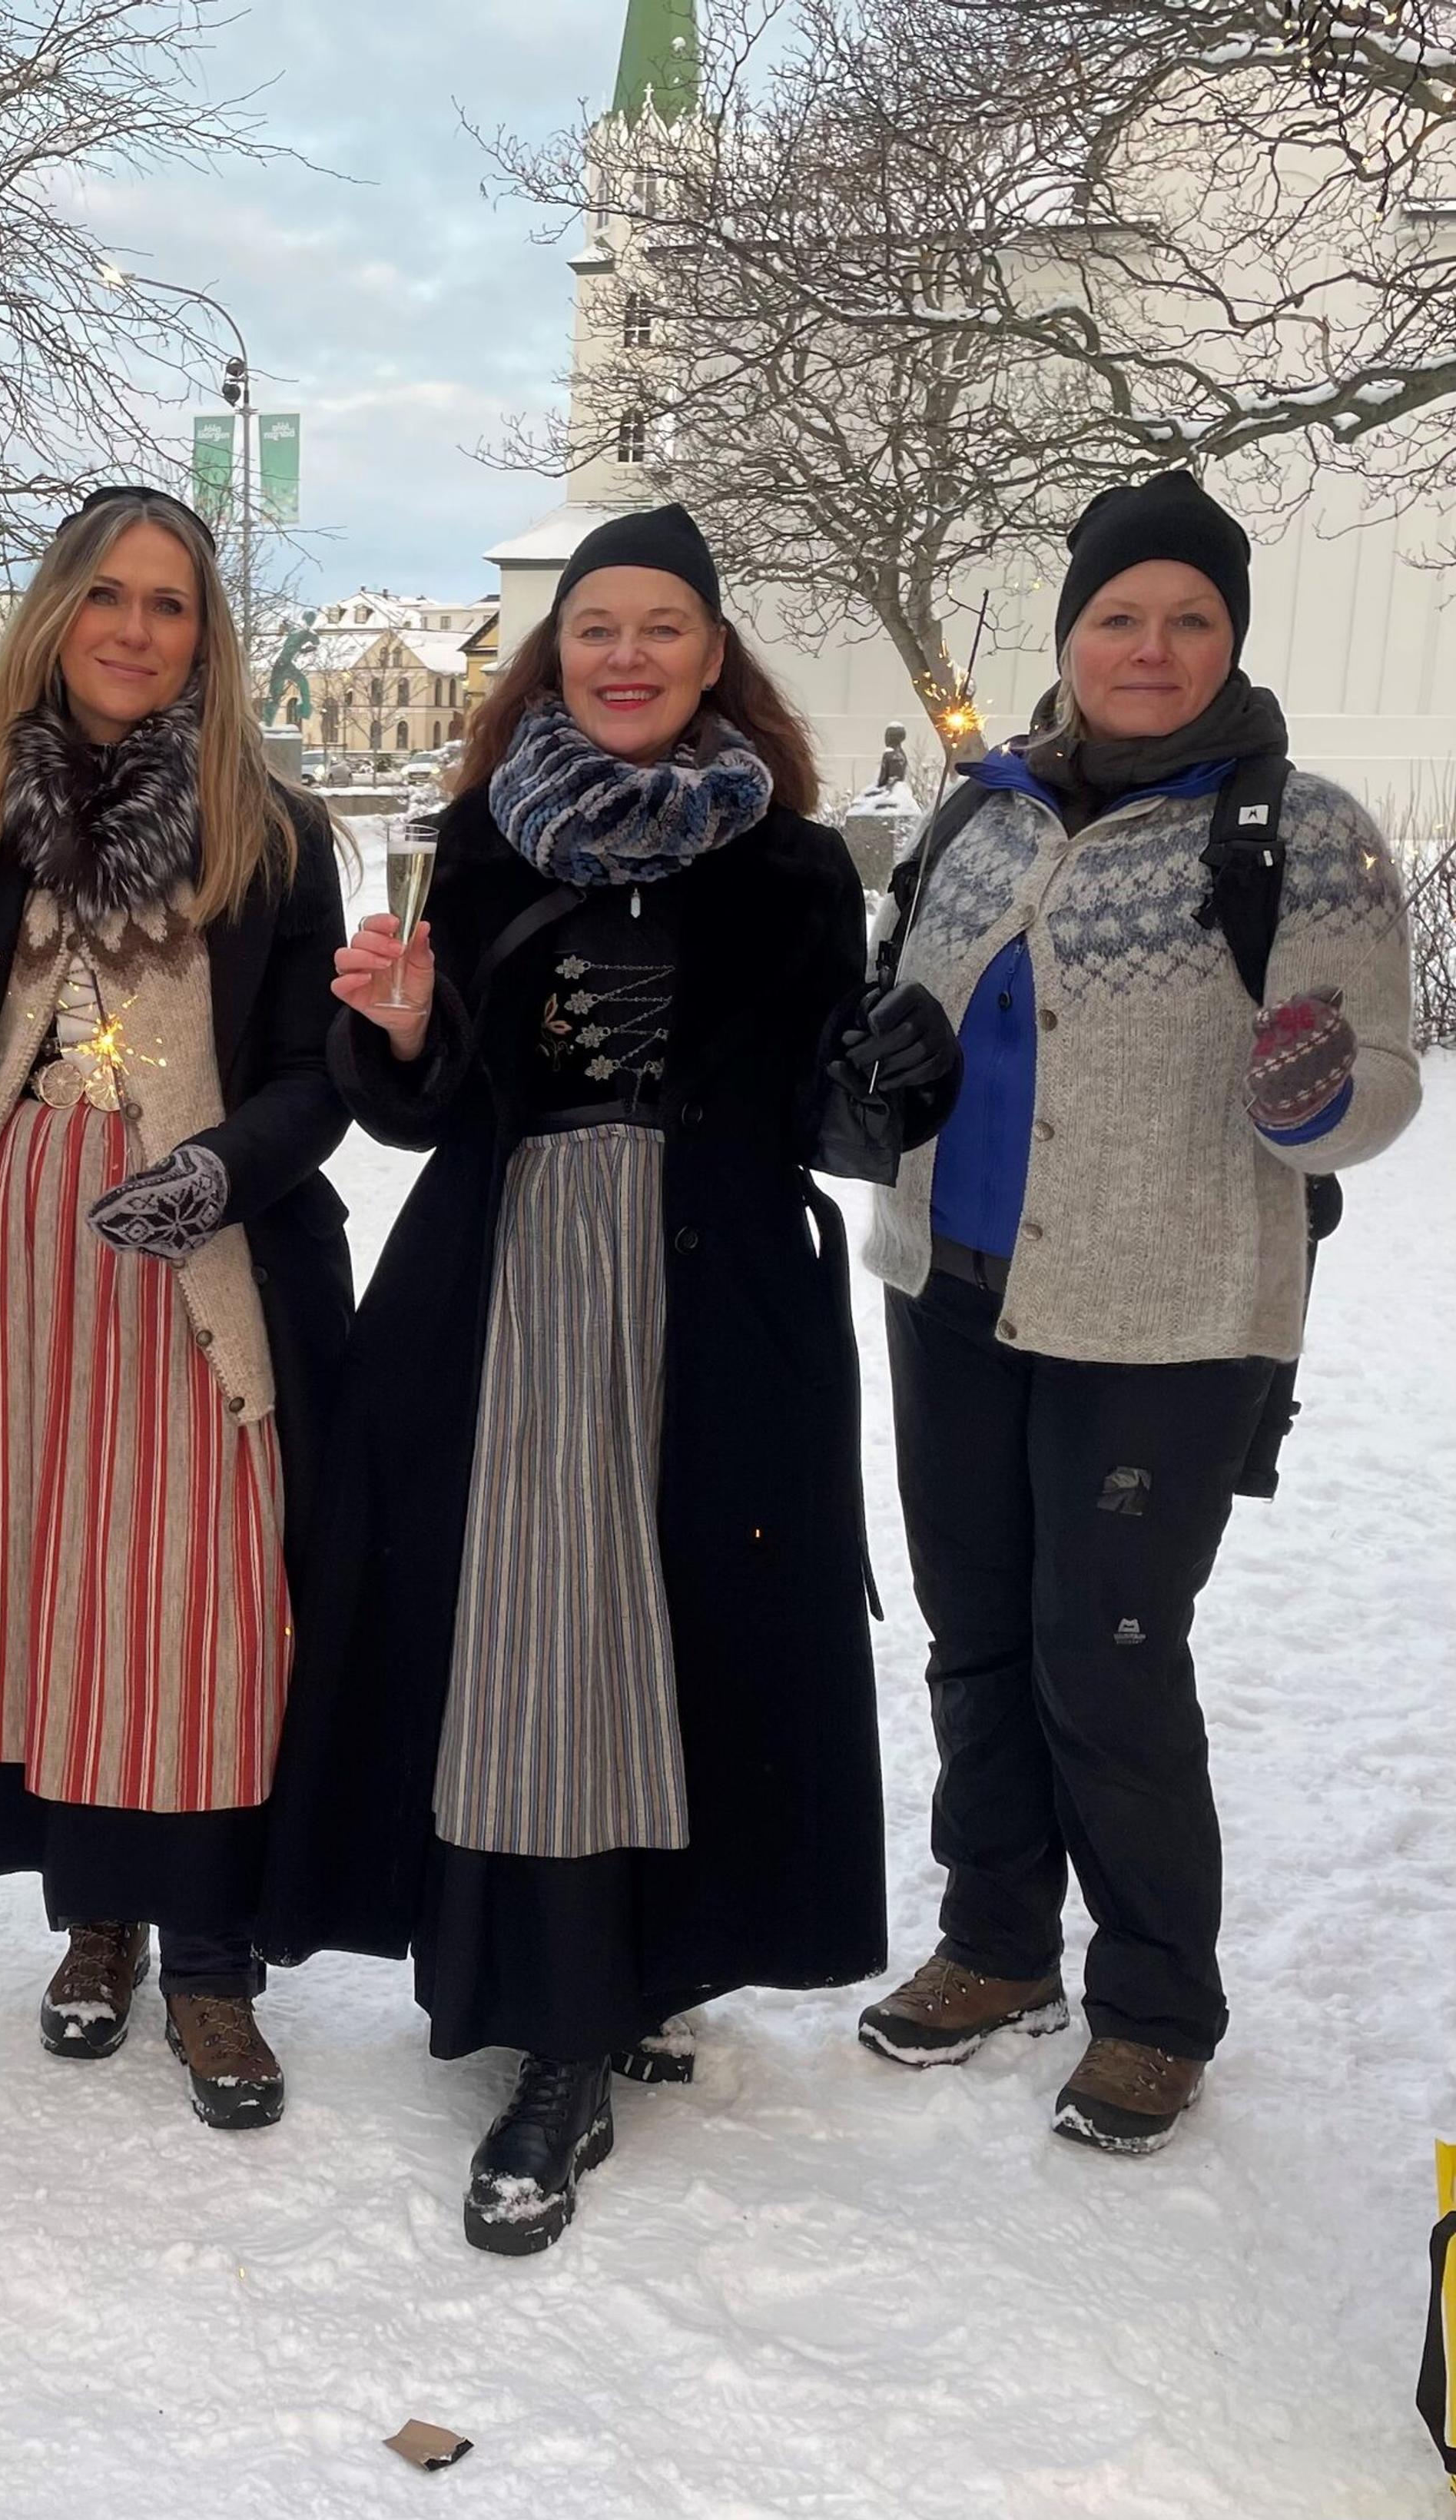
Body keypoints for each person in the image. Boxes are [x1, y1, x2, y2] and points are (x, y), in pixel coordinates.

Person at [264, 505, 957, 2251]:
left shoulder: (796, 867)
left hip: (722, 1300)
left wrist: (893, 1067)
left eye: (665, 627)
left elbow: (819, 1108)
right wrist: (401, 1031)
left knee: (694, 1627)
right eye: (597, 630)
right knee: (540, 1640)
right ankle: (558, 2025)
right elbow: (421, 1110)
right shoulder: (481, 842)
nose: (629, 654)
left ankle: (649, 1959)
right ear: (554, 655)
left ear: (717, 655)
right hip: (510, 1287)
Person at [853, 470, 1418, 2155]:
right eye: (1119, 615)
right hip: (952, 1289)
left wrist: (1314, 1091)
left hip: (1167, 1314)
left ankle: (1160, 2003)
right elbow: (900, 998)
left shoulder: (1299, 826)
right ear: (1070, 634)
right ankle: (997, 1942)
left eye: (1189, 618)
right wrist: (870, 1052)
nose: (1150, 646)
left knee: (1108, 1653)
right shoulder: (982, 808)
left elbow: (1377, 1076)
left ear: (1231, 637)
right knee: (973, 1636)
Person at [0, 486, 353, 2129]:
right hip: (10, 1242)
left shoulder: (272, 829)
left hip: (192, 1259)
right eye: (108, 599)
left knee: (199, 1599)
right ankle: (101, 1907)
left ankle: (212, 1952)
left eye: (171, 603)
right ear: (56, 614)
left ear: (205, 634)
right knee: (55, 1579)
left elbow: (314, 1079)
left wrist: (220, 1172)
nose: (138, 630)